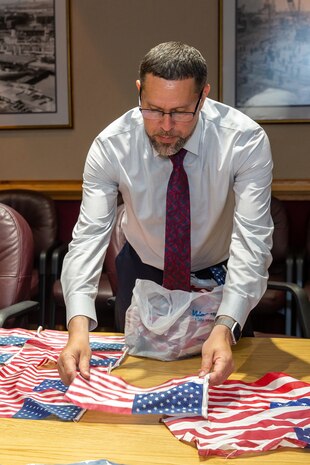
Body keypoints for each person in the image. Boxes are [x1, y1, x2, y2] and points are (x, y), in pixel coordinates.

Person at [57, 41, 273, 387]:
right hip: (142, 271)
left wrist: (226, 323)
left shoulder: (243, 140)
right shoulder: (112, 145)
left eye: (181, 112)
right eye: (153, 109)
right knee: (141, 381)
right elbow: (87, 239)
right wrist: (78, 325)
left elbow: (253, 239)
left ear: (203, 96)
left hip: (218, 275)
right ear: (139, 92)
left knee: (221, 380)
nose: (166, 126)